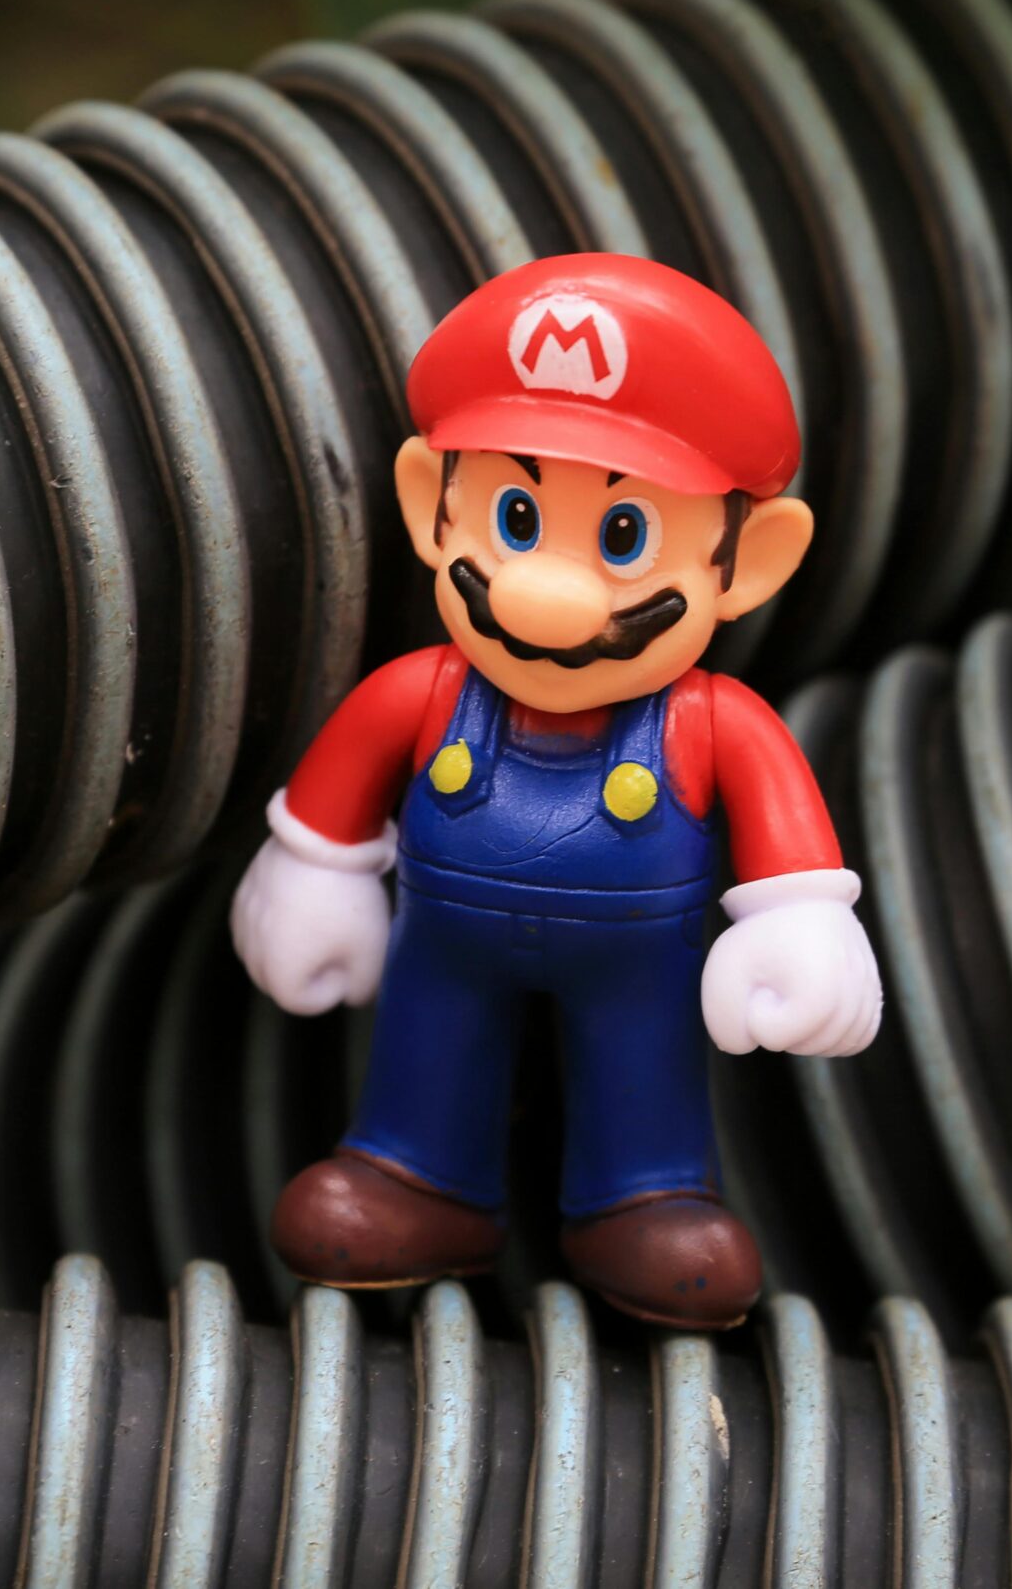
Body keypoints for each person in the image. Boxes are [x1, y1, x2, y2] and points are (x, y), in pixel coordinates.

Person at [228, 253, 883, 1328]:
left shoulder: (709, 722)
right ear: (430, 510)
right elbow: (343, 779)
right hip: (444, 942)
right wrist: (313, 869)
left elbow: (785, 836)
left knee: (643, 1066)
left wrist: (800, 923)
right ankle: (417, 1179)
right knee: (429, 1040)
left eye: (623, 537)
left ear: (747, 562)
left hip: (639, 963)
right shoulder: (425, 692)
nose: (547, 595)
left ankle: (644, 1196)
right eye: (516, 520)